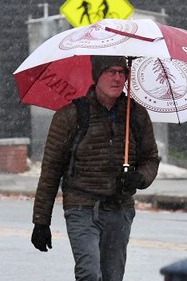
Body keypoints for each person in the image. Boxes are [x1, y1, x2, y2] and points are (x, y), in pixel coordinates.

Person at [31, 55, 160, 281]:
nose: (118, 78)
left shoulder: (135, 115)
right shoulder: (70, 116)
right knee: (89, 273)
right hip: (81, 207)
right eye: (111, 71)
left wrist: (139, 178)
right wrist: (41, 221)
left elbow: (150, 158)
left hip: (119, 210)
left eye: (122, 72)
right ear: (97, 76)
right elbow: (51, 171)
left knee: (112, 276)